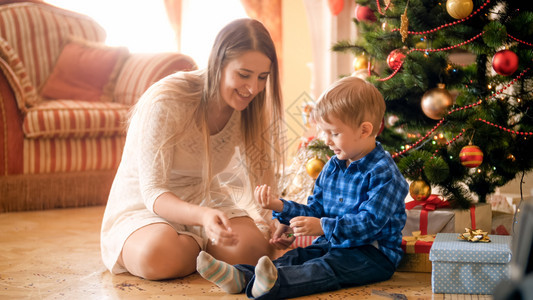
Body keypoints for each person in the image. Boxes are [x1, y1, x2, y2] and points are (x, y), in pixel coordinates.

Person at [100, 18, 286, 281]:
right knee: (157, 255)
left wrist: (276, 221)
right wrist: (203, 217)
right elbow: (154, 192)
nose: (253, 88)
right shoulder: (167, 100)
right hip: (147, 204)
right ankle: (201, 251)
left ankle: (197, 252)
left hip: (205, 201)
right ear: (218, 63)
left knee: (257, 251)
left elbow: (263, 178)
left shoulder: (250, 108)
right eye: (243, 75)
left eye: (262, 77)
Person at [196, 76, 409, 299]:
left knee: (324, 267)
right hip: (332, 243)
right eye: (324, 132)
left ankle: (272, 286)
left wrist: (323, 227)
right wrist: (281, 209)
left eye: (334, 133)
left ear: (364, 130)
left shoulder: (385, 174)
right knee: (297, 257)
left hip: (373, 255)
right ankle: (240, 277)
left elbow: (369, 224)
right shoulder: (332, 167)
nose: (327, 140)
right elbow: (315, 212)